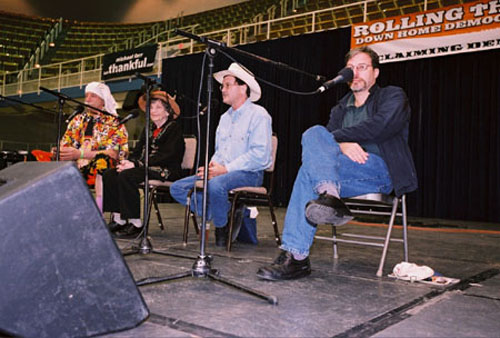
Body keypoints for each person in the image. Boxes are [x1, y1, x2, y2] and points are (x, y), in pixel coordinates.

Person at [257, 46, 418, 281]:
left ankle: (297, 256)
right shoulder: (340, 107)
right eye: (350, 69)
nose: (355, 73)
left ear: (376, 73)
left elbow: (380, 126)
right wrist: (341, 145)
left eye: (362, 67)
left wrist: (339, 140)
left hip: (379, 171)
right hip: (341, 172)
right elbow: (321, 143)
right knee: (313, 136)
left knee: (312, 164)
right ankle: (329, 196)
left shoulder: (392, 96)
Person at [169, 63, 273, 247]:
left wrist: (225, 170)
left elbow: (260, 155)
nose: (222, 90)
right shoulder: (224, 118)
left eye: (227, 85)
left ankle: (222, 227)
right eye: (222, 86)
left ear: (243, 88)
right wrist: (212, 167)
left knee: (216, 185)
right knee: (177, 188)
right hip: (224, 172)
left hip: (250, 173)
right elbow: (220, 151)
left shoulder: (259, 115)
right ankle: (226, 212)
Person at [102, 90, 185, 239]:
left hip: (166, 170)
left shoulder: (174, 128)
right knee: (110, 173)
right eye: (151, 107)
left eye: (158, 108)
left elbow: (168, 155)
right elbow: (138, 150)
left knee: (127, 175)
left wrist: (137, 164)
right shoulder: (149, 129)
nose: (153, 111)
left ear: (167, 112)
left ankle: (136, 223)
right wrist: (129, 162)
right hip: (145, 167)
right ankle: (118, 219)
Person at [58, 82, 129, 212]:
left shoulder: (114, 122)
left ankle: (99, 214)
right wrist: (62, 151)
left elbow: (114, 153)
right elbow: (66, 142)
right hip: (77, 164)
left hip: (103, 167)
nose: (87, 99)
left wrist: (80, 154)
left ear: (103, 100)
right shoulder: (78, 120)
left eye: (93, 96)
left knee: (101, 163)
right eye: (86, 95)